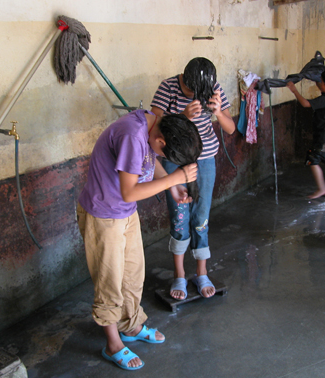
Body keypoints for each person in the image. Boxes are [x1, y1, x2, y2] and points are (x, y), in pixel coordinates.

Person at [76, 110, 202, 371]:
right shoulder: (132, 136)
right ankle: (112, 344)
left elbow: (149, 158)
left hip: (124, 213)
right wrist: (175, 178)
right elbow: (129, 191)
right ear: (161, 141)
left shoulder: (156, 123)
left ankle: (131, 326)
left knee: (133, 274)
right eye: (166, 155)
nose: (162, 158)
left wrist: (171, 185)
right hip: (103, 215)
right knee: (109, 280)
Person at [151, 57, 236, 300]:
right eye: (191, 91)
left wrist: (218, 112)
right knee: (180, 215)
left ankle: (201, 272)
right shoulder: (168, 87)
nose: (195, 94)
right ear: (185, 80)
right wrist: (182, 116)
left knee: (201, 216)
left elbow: (230, 128)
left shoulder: (213, 88)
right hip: (175, 159)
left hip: (205, 161)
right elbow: (154, 127)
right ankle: (179, 274)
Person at [286, 69, 325, 199]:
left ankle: (322, 188)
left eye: (321, 82)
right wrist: (312, 77)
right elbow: (321, 85)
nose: (319, 83)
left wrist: (294, 90)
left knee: (312, 159)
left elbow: (305, 104)